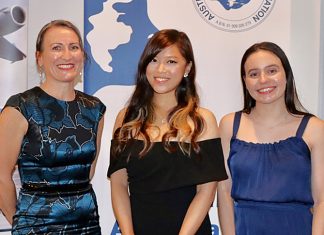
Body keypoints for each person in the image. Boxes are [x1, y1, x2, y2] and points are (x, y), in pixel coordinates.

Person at [107, 29, 228, 235]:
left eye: (171, 61)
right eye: (154, 60)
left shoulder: (202, 120)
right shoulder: (126, 118)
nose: (160, 69)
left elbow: (206, 191)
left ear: (187, 67)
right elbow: (118, 184)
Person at [0, 20, 106, 234]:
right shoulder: (20, 107)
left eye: (74, 47)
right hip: (36, 228)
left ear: (82, 55)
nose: (67, 55)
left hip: (86, 226)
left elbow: (87, 173)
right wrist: (23, 224)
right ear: (39, 57)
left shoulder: (95, 109)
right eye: (56, 47)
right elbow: (1, 177)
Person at [217, 42, 324, 235]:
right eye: (254, 74)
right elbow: (224, 192)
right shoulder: (229, 125)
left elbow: (322, 200)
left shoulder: (314, 129)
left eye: (272, 70)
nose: (263, 80)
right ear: (245, 80)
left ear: (286, 74)